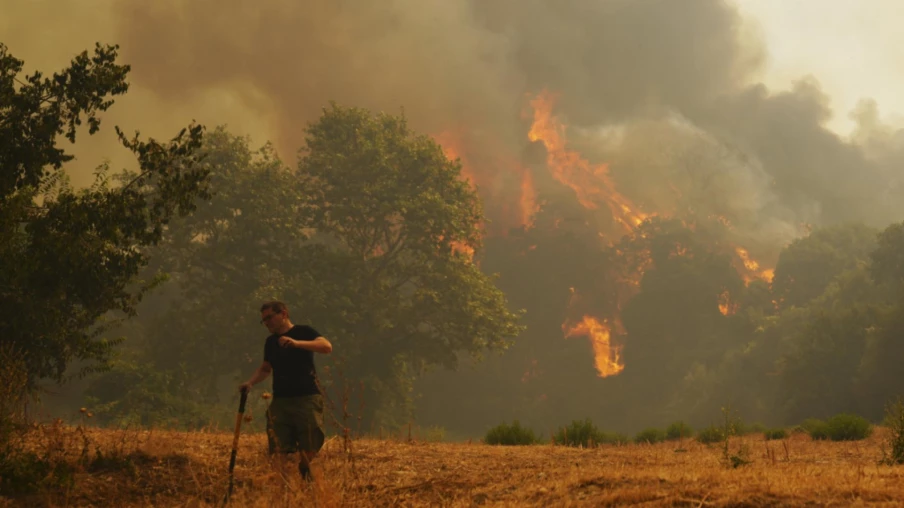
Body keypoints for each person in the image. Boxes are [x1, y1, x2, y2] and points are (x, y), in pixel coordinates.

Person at [239, 300, 333, 481]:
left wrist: (297, 343)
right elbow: (266, 368)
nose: (267, 322)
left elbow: (326, 347)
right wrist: (250, 383)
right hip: (280, 401)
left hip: (307, 397)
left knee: (311, 441)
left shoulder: (304, 332)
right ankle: (284, 490)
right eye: (264, 320)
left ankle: (305, 466)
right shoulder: (270, 342)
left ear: (283, 314)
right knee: (278, 447)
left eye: (269, 317)